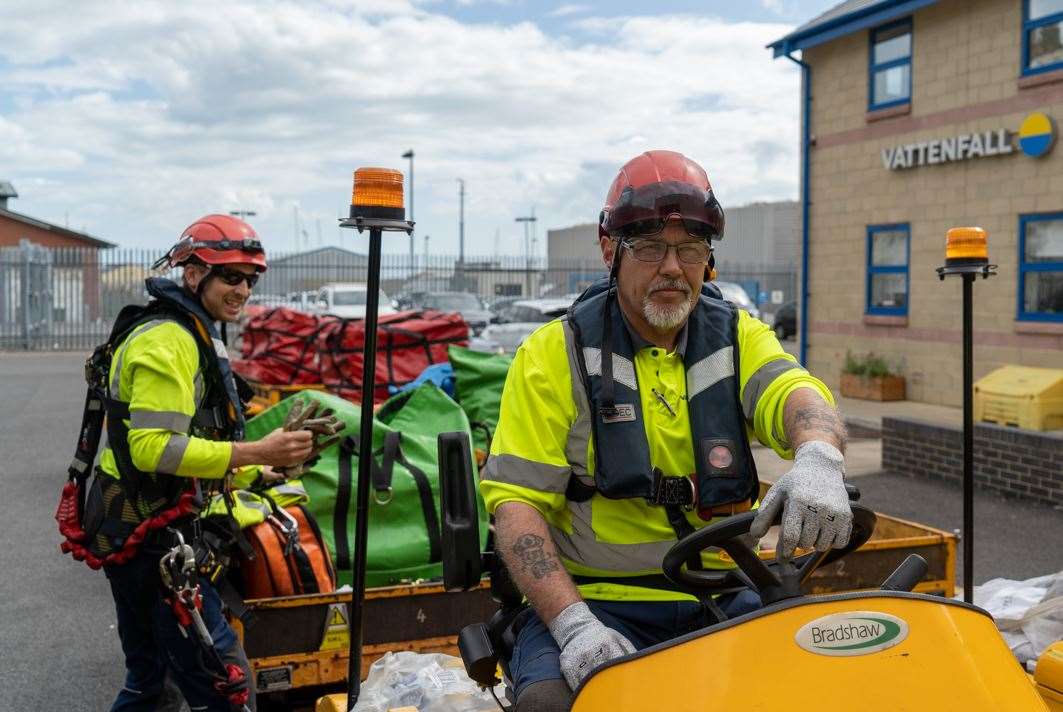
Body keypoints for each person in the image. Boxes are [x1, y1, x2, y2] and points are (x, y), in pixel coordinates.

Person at [480, 151, 852, 711]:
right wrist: (574, 626)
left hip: (721, 597)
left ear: (709, 260)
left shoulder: (738, 337)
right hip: (592, 603)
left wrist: (820, 456)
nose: (673, 268)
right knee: (552, 706)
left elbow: (793, 392)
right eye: (650, 248)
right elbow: (516, 507)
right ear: (611, 252)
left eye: (691, 250)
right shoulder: (552, 355)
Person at [95, 214, 314, 711]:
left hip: (133, 528)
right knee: (226, 688)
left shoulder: (189, 330)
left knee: (151, 685)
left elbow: (183, 444)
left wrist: (259, 470)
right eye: (231, 276)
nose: (244, 290)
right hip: (152, 540)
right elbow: (153, 448)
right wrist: (258, 450)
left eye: (251, 280)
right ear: (193, 274)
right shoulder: (168, 340)